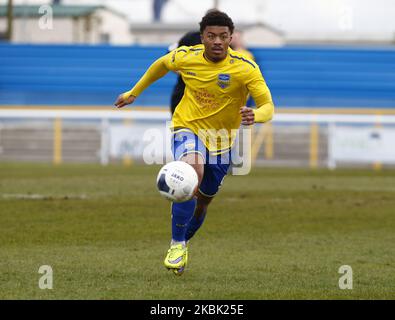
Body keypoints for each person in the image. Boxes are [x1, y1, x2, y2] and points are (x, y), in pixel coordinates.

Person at [114, 10, 274, 276]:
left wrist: (255, 115)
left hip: (222, 142)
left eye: (223, 36)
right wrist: (134, 92)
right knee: (191, 170)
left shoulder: (245, 67)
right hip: (187, 128)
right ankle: (176, 244)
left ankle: (183, 241)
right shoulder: (187, 57)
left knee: (203, 201)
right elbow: (162, 64)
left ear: (231, 38)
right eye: (211, 36)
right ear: (202, 37)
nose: (217, 41)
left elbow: (268, 106)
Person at [168, 30, 201, 115]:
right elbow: (169, 57)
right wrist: (185, 72)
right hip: (183, 91)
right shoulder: (191, 37)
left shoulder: (221, 41)